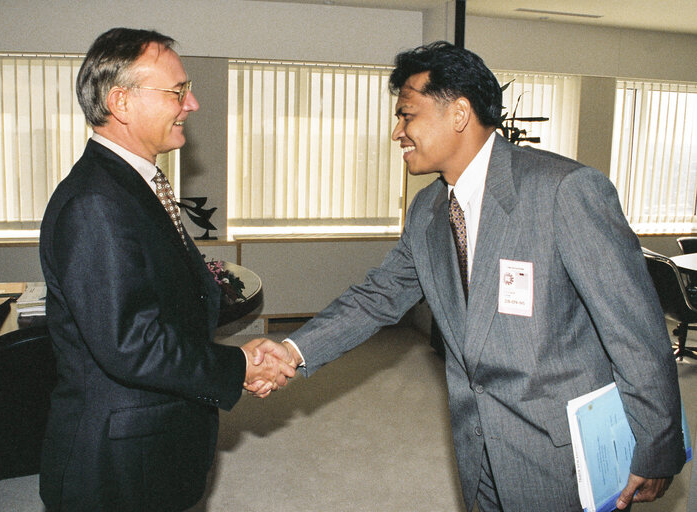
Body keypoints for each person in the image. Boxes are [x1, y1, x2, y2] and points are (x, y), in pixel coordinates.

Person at [248, 41, 686, 511]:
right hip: (477, 447)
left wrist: (657, 446)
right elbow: (378, 296)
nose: (397, 132)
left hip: (562, 456)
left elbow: (636, 331)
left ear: (458, 113)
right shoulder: (429, 210)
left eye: (407, 114)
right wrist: (293, 350)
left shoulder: (563, 191)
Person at [39, 27, 292, 512]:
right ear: (122, 102)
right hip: (117, 465)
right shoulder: (96, 202)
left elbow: (168, 304)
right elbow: (130, 345)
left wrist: (238, 350)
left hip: (154, 442)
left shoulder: (133, 185)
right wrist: (237, 366)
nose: (192, 104)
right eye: (178, 91)